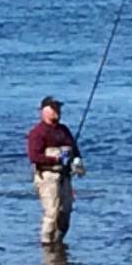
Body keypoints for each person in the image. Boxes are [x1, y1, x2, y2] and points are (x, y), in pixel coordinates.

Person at [26, 96, 83, 246]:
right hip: (47, 176)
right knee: (52, 212)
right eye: (54, 109)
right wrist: (56, 159)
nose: (57, 112)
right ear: (44, 111)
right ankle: (46, 245)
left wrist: (77, 161)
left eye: (58, 109)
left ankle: (58, 244)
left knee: (65, 212)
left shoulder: (64, 130)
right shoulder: (37, 133)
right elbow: (34, 156)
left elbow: (75, 150)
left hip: (64, 176)